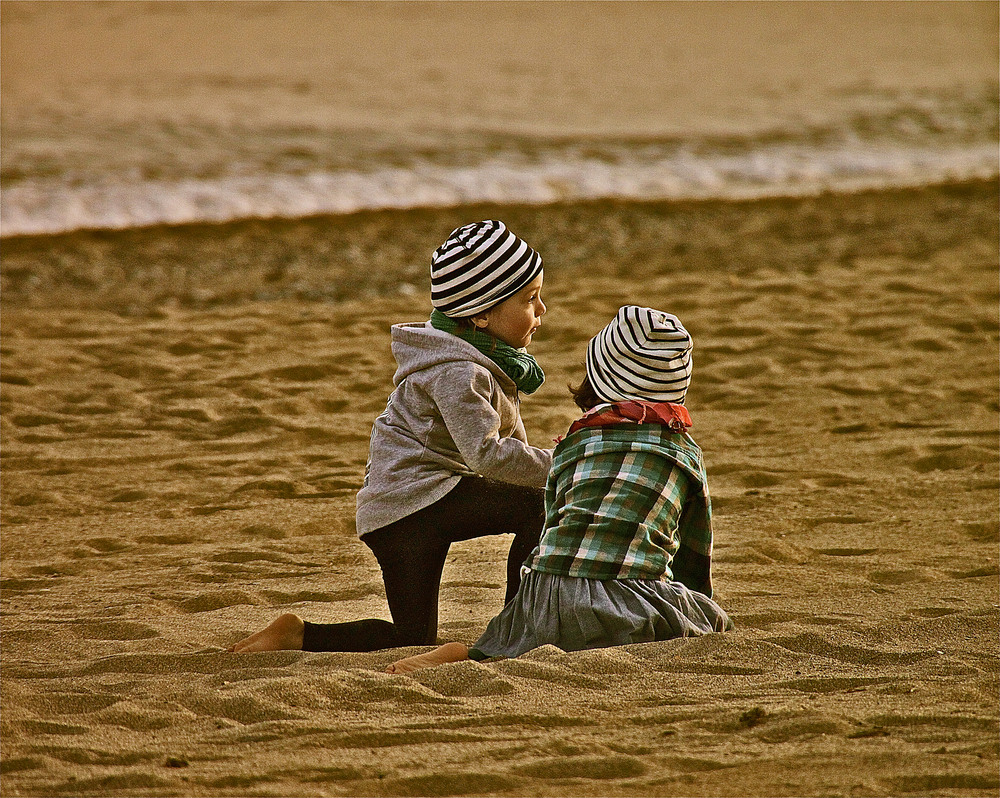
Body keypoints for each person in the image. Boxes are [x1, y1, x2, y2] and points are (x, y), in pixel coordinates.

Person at [231, 220, 553, 653]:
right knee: (539, 504)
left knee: (410, 638)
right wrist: (563, 464)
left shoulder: (477, 358)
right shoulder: (459, 371)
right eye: (530, 300)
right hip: (417, 502)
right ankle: (519, 630)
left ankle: (300, 633)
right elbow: (488, 456)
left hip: (399, 512)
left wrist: (540, 462)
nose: (543, 310)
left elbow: (507, 450)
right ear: (480, 313)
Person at [386, 305, 732, 673]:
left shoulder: (573, 444)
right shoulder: (684, 455)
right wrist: (693, 602)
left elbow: (554, 523)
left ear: (598, 378)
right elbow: (695, 549)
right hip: (624, 598)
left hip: (544, 598)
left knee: (519, 644)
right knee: (711, 621)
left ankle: (475, 655)